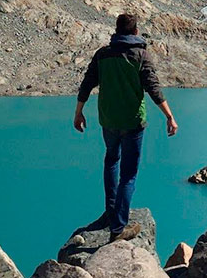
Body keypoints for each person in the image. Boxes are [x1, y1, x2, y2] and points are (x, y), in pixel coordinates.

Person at [74, 13, 178, 242]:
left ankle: (112, 212)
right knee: (129, 175)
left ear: (117, 31)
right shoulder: (141, 55)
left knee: (111, 160)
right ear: (135, 32)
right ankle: (118, 228)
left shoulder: (102, 54)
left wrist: (78, 112)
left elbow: (87, 84)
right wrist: (169, 116)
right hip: (133, 122)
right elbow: (153, 89)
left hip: (109, 120)